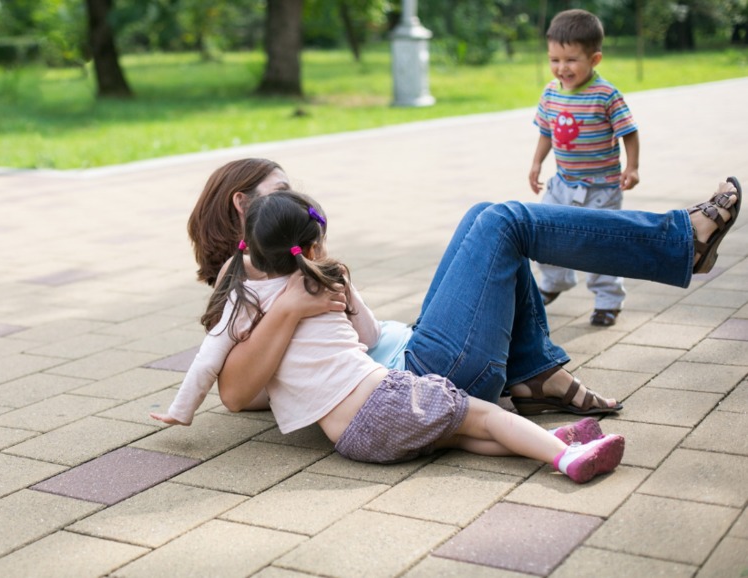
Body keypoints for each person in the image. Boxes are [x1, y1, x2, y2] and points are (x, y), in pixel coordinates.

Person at [183, 159, 740, 418]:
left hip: (418, 351)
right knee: (505, 224)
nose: (301, 204)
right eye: (283, 192)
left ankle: (535, 373)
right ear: (243, 204)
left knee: (485, 215)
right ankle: (679, 242)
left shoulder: (277, 273)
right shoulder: (245, 295)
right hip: (417, 380)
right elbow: (236, 397)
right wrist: (290, 310)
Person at [151, 191, 626, 483]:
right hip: (387, 396)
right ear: (311, 245)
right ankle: (564, 456)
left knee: (461, 436)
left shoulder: (240, 297)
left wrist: (181, 410)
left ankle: (554, 441)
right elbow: (370, 334)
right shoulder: (325, 279)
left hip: (351, 440)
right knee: (482, 419)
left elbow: (207, 360)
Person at [528, 9, 640, 328]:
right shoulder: (550, 93)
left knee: (600, 247)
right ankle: (555, 280)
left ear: (595, 58)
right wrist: (536, 163)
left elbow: (629, 132)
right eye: (554, 60)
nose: (561, 68)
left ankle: (608, 300)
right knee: (542, 233)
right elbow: (546, 132)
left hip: (602, 188)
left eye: (571, 60)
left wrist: (632, 167)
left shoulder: (606, 95)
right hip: (561, 183)